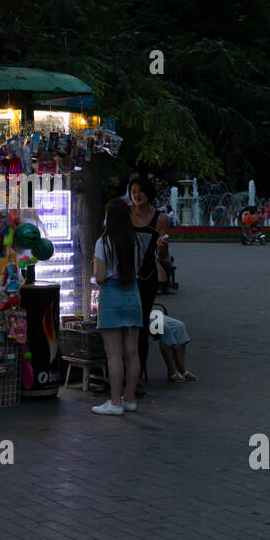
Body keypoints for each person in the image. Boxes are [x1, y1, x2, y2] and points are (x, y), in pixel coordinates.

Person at [91, 199, 149, 416]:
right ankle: (130, 399)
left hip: (112, 295)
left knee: (113, 354)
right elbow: (137, 269)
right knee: (132, 353)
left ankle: (115, 402)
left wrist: (96, 264)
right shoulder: (136, 241)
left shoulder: (103, 242)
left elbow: (100, 277)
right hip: (133, 295)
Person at [127, 174, 169, 397]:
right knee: (124, 325)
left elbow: (164, 254)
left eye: (140, 191)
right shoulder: (126, 214)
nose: (136, 196)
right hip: (124, 276)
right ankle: (123, 371)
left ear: (149, 194)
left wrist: (162, 246)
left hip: (146, 277)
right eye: (133, 192)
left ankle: (139, 373)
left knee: (141, 325)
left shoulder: (159, 218)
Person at [151, 304, 195, 383]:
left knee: (179, 326)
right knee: (164, 328)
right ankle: (172, 371)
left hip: (148, 312)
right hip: (135, 314)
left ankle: (181, 370)